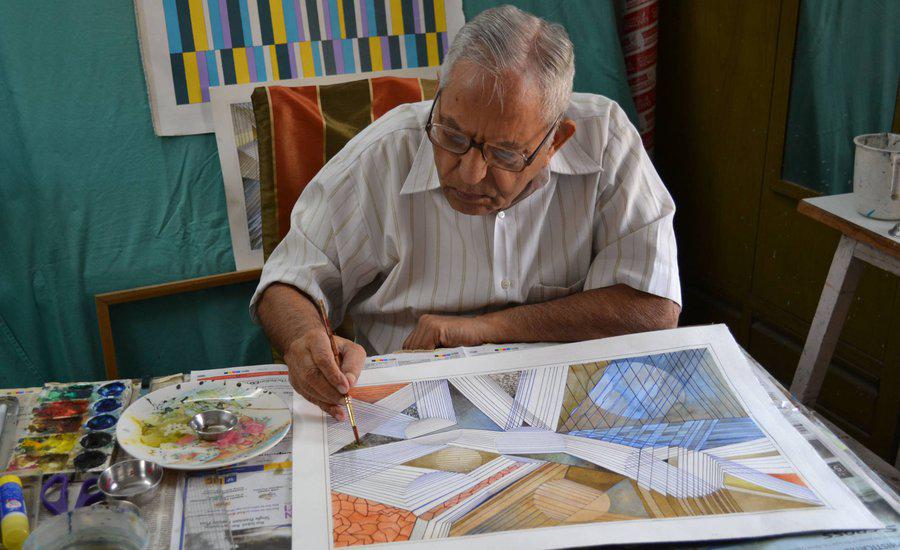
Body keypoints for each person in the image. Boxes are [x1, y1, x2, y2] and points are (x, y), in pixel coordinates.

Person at [251, 5, 681, 419]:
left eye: (504, 154)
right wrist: (305, 337)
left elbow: (653, 309)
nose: (470, 174)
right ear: (440, 95)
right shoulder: (382, 154)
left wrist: (483, 328)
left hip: (569, 398)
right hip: (406, 401)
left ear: (556, 141)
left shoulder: (607, 141)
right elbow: (286, 283)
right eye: (452, 136)